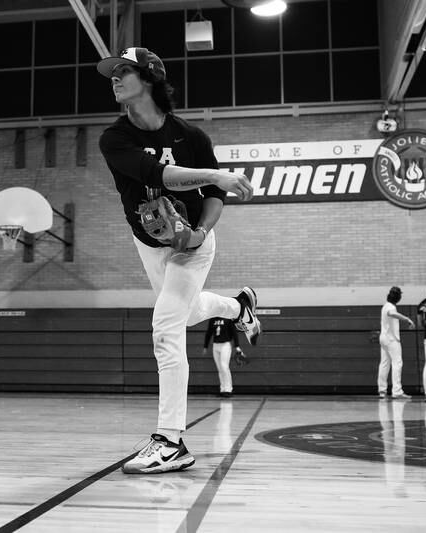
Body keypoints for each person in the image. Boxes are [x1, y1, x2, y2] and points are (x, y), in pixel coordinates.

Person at [96, 47, 261, 474]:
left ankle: (170, 441)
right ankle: (237, 307)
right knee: (185, 316)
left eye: (123, 72)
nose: (113, 79)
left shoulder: (192, 138)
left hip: (193, 245)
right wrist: (215, 174)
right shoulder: (115, 138)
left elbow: (214, 200)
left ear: (148, 78)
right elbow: (156, 175)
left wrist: (201, 232)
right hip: (149, 244)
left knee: (165, 325)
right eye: (111, 74)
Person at [377, 286, 415, 399]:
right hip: (391, 339)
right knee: (397, 363)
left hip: (384, 338)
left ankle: (382, 390)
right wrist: (407, 319)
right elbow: (392, 314)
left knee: (384, 364)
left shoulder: (385, 306)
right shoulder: (390, 307)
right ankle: (397, 391)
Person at [203, 317, 244, 398]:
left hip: (225, 345)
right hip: (215, 345)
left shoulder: (228, 318)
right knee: (220, 369)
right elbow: (209, 332)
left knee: (224, 366)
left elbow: (234, 332)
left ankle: (228, 389)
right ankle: (222, 389)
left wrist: (237, 346)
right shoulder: (213, 319)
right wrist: (205, 346)